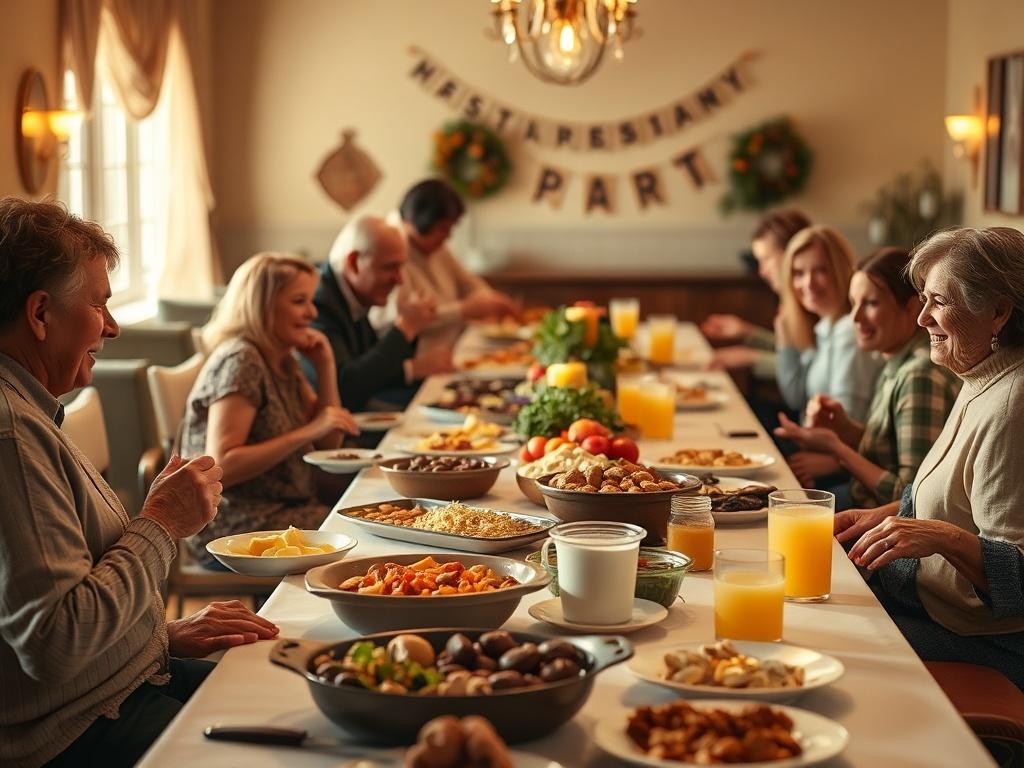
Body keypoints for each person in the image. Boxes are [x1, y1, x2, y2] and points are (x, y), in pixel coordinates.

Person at [0, 197, 278, 768]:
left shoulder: (29, 409)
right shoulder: (13, 437)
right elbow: (55, 645)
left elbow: (57, 617)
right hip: (78, 729)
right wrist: (161, 522)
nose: (113, 326)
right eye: (99, 303)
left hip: (124, 682)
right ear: (40, 313)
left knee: (294, 683)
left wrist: (159, 635)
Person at [835, 227, 1024, 689]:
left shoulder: (1013, 403)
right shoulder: (979, 375)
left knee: (826, 640)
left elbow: (1017, 580)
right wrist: (885, 515)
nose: (921, 318)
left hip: (984, 642)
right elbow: (954, 496)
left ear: (998, 312)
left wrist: (942, 536)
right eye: (923, 299)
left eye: (938, 302)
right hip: (924, 602)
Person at [181, 252, 358, 566]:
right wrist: (308, 431)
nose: (312, 312)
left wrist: (325, 365)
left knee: (368, 524)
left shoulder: (283, 359)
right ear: (261, 305)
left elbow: (330, 441)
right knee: (362, 536)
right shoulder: (241, 360)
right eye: (299, 301)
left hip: (284, 511)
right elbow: (222, 465)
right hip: (234, 524)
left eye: (311, 301)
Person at [772, 247, 959, 506]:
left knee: (779, 505)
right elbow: (888, 452)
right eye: (853, 304)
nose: (855, 318)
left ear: (912, 308)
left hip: (875, 517)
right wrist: (845, 428)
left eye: (871, 304)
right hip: (861, 499)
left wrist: (837, 449)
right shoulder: (895, 361)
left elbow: (912, 498)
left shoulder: (919, 376)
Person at [302, 215, 452, 412]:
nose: (400, 280)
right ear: (354, 263)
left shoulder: (352, 293)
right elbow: (345, 387)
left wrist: (410, 368)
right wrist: (405, 328)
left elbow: (368, 367)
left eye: (401, 266)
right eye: (390, 267)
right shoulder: (318, 303)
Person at [374, 178, 519, 358]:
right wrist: (464, 310)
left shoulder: (435, 246)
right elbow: (401, 321)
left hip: (449, 349)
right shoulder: (393, 250)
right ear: (415, 223)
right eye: (443, 228)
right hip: (417, 361)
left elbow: (468, 282)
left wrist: (488, 299)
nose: (448, 236)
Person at [775, 224, 882, 424]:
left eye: (820, 271)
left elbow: (849, 420)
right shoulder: (826, 326)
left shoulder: (849, 331)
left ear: (841, 270)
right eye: (798, 273)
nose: (808, 283)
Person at [702, 209, 811, 378]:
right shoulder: (794, 300)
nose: (762, 271)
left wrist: (751, 358)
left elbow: (807, 369)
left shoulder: (813, 300)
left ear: (792, 254)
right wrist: (746, 332)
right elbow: (794, 352)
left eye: (766, 259)